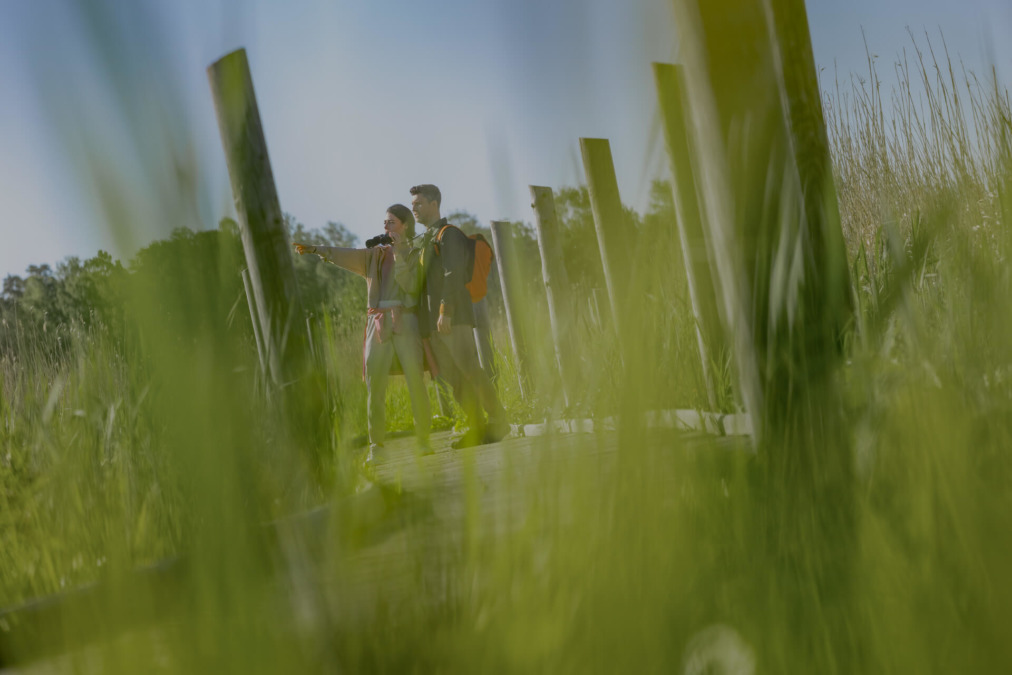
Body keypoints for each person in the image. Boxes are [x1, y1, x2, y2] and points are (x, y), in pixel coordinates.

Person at [293, 204, 431, 462]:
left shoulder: (416, 253)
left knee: (415, 380)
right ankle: (376, 446)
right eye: (385, 222)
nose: (386, 226)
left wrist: (399, 254)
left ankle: (423, 440)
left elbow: (412, 287)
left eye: (391, 222)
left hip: (405, 320)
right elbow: (346, 255)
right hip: (377, 321)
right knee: (374, 382)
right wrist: (316, 249)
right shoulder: (374, 255)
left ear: (405, 225)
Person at [409, 184, 509, 449]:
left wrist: (446, 311)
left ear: (434, 204)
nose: (414, 208)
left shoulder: (449, 234)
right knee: (455, 378)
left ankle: (499, 420)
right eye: (412, 204)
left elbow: (453, 274)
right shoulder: (426, 239)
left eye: (419, 203)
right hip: (435, 323)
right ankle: (476, 428)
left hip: (452, 316)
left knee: (470, 369)